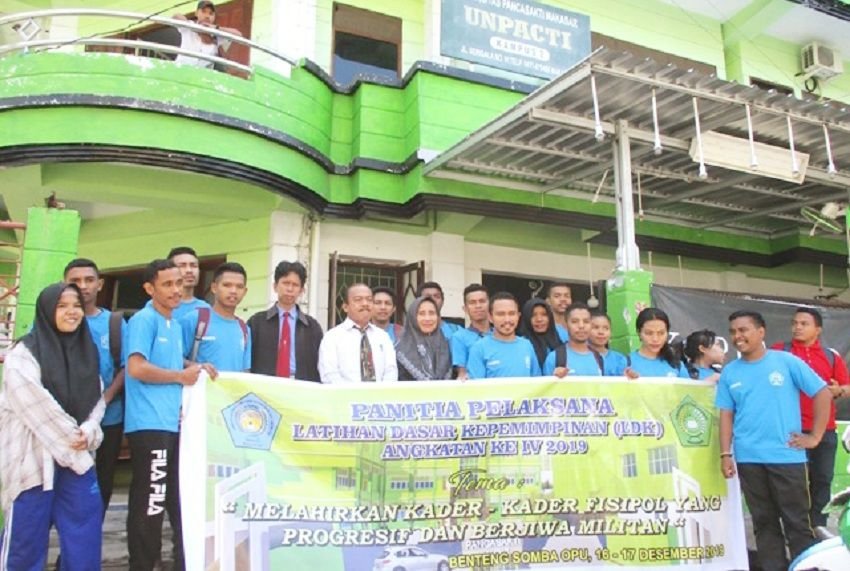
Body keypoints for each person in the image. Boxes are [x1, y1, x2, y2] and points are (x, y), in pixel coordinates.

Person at [0, 283, 105, 569]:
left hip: (77, 457)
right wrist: (75, 439)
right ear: (47, 311)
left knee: (85, 532)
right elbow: (35, 406)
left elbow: (96, 397)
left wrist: (89, 430)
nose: (72, 312)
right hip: (33, 460)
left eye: (76, 306)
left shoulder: (86, 351)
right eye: (62, 306)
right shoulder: (23, 353)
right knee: (26, 537)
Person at [718, 310, 829, 570]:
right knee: (764, 523)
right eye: (733, 331)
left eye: (743, 330)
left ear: (761, 332)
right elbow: (726, 415)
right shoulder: (730, 372)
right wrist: (725, 454)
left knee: (797, 523)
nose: (737, 336)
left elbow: (822, 393)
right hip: (748, 459)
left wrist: (814, 436)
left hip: (786, 457)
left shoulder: (785, 361)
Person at [125, 259, 216, 571]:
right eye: (167, 284)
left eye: (178, 283)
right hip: (148, 424)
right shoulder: (144, 320)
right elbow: (136, 367)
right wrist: (180, 376)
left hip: (172, 424)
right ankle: (142, 565)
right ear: (149, 288)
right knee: (150, 502)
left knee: (175, 500)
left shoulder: (173, 323)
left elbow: (171, 361)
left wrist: (195, 367)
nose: (176, 290)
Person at [770, 307, 850, 528]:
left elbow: (847, 387)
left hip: (825, 430)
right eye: (794, 323)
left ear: (818, 329)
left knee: (822, 481)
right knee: (791, 483)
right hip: (790, 430)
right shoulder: (778, 352)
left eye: (804, 324)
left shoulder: (831, 356)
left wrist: (839, 390)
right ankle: (794, 529)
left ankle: (818, 529)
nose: (797, 327)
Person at [64, 258, 127, 515]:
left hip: (109, 417)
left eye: (89, 280)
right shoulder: (56, 320)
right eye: (75, 281)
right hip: (65, 418)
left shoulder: (114, 323)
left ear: (100, 284)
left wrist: (104, 400)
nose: (83, 286)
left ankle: (91, 535)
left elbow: (127, 366)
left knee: (101, 480)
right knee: (62, 480)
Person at [247, 261, 323, 381]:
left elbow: (320, 363)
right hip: (265, 386)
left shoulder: (312, 327)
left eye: (295, 285)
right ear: (275, 286)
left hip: (301, 386)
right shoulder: (256, 323)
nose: (290, 289)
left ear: (302, 290)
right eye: (285, 283)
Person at [319, 283, 397, 383]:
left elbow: (391, 370)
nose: (365, 303)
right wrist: (353, 393)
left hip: (381, 393)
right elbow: (329, 374)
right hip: (343, 392)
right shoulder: (332, 337)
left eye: (369, 299)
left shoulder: (382, 336)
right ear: (345, 307)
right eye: (358, 299)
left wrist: (381, 392)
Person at [180, 262, 251, 372]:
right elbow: (173, 358)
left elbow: (245, 371)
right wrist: (198, 367)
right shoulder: (195, 319)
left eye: (239, 287)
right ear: (214, 288)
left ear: (245, 291)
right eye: (227, 285)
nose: (233, 291)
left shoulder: (244, 329)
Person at [466, 292, 541, 379]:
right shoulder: (479, 348)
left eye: (512, 313)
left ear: (518, 316)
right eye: (501, 314)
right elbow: (475, 385)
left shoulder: (526, 345)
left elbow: (537, 381)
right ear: (490, 317)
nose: (507, 320)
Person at [173, 1, 242, 70]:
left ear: (214, 17)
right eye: (204, 12)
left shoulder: (216, 34)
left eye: (211, 14)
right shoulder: (189, 26)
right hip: (180, 70)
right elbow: (176, 16)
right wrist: (198, 30)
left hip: (201, 74)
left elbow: (238, 34)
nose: (207, 16)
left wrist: (216, 28)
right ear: (196, 13)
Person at [395, 297, 451, 381]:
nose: (427, 318)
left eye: (432, 313)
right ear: (412, 317)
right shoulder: (400, 350)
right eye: (421, 313)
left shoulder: (447, 346)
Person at [626, 307, 689, 379]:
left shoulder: (677, 365)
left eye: (661, 333)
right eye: (649, 333)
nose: (655, 339)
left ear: (667, 333)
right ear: (639, 333)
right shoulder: (626, 363)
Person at [544, 303, 604, 377]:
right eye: (575, 321)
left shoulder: (598, 358)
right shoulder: (554, 358)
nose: (581, 326)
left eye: (586, 321)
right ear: (566, 324)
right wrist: (554, 378)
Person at [450, 283, 490, 380]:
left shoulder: (499, 335)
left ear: (490, 305)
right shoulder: (459, 337)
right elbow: (462, 372)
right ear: (465, 309)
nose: (478, 306)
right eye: (472, 302)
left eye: (482, 301)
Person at [167, 246, 211, 320]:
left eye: (194, 266)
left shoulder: (205, 309)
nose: (189, 270)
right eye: (182, 266)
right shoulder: (158, 307)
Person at [517, 297, 560, 371]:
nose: (539, 319)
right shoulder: (520, 345)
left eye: (544, 314)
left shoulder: (558, 341)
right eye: (533, 315)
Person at [589, 311, 629, 376]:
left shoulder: (619, 359)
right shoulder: (580, 357)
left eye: (606, 328)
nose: (601, 332)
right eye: (596, 327)